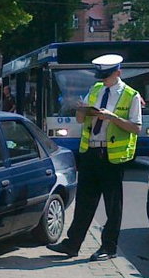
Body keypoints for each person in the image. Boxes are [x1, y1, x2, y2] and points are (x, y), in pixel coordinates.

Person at [46, 54, 141, 261]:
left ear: (118, 72)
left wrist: (112, 118)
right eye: (101, 76)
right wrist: (81, 110)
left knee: (112, 205)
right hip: (90, 152)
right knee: (84, 201)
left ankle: (109, 247)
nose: (103, 80)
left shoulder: (131, 95)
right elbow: (81, 120)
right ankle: (72, 244)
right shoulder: (96, 90)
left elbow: (136, 128)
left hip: (112, 157)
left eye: (106, 76)